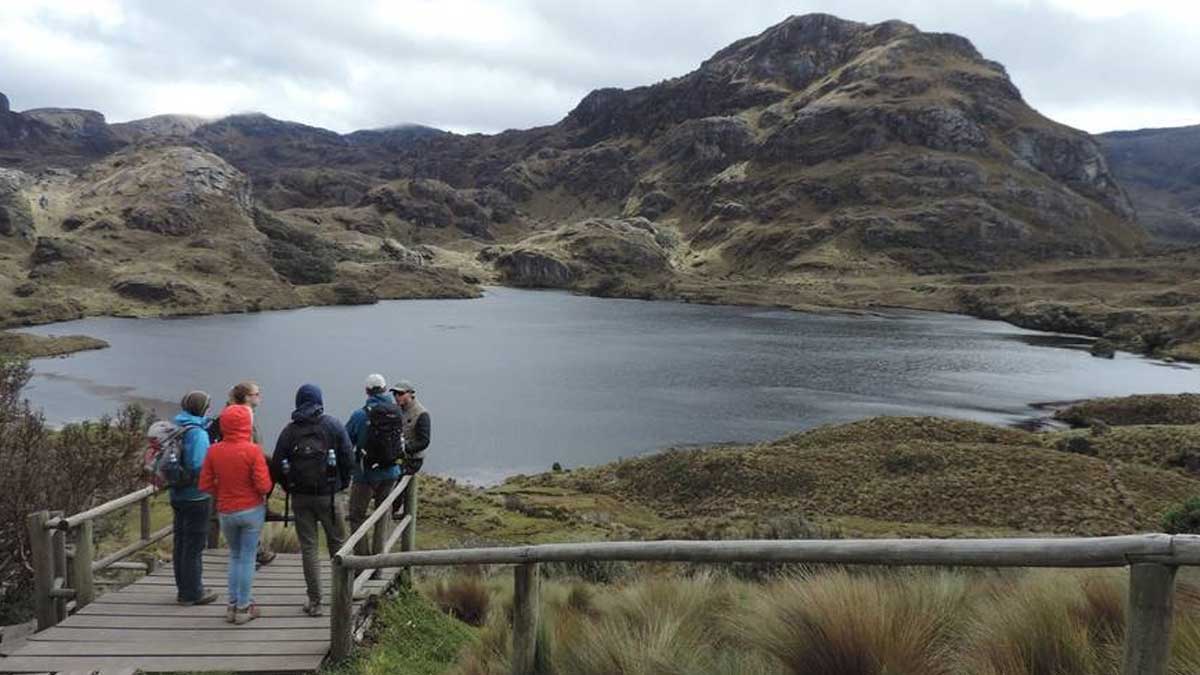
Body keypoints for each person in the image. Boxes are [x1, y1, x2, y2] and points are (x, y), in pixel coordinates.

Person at [270, 384, 354, 616]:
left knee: (309, 548)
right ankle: (343, 596)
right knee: (338, 545)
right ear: (319, 401)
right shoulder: (333, 425)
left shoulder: (289, 431)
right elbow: (348, 458)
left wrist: (290, 487)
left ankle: (315, 601)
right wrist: (342, 484)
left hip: (300, 497)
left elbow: (277, 465)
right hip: (329, 496)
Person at [199, 404, 273, 625]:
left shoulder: (214, 451)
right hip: (251, 510)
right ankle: (244, 606)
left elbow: (204, 484)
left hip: (226, 511)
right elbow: (264, 485)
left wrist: (222, 493)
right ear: (246, 425)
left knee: (234, 556)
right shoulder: (253, 451)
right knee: (248, 558)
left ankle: (232, 605)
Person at [215, 381, 277, 567]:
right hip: (245, 469)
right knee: (248, 508)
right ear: (247, 397)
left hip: (240, 467)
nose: (259, 397)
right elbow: (246, 443)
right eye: (256, 394)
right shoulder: (242, 416)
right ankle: (253, 552)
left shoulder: (235, 413)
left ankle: (251, 552)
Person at [345, 373, 403, 554]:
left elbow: (346, 442)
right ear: (385, 389)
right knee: (382, 516)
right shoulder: (396, 411)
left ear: (367, 391)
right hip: (391, 472)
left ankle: (363, 562)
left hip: (365, 474)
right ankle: (379, 565)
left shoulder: (359, 415)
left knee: (356, 516)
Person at [171, 391, 217, 606]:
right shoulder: (198, 433)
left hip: (177, 493)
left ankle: (183, 589)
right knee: (194, 546)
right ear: (202, 408)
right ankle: (193, 592)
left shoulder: (178, 426)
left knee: (181, 543)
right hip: (196, 496)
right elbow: (199, 464)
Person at [389, 380, 431, 476]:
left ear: (411, 394)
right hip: (395, 457)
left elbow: (424, 441)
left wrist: (405, 449)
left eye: (401, 393)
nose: (397, 397)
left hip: (412, 460)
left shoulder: (421, 414)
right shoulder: (395, 410)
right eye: (395, 393)